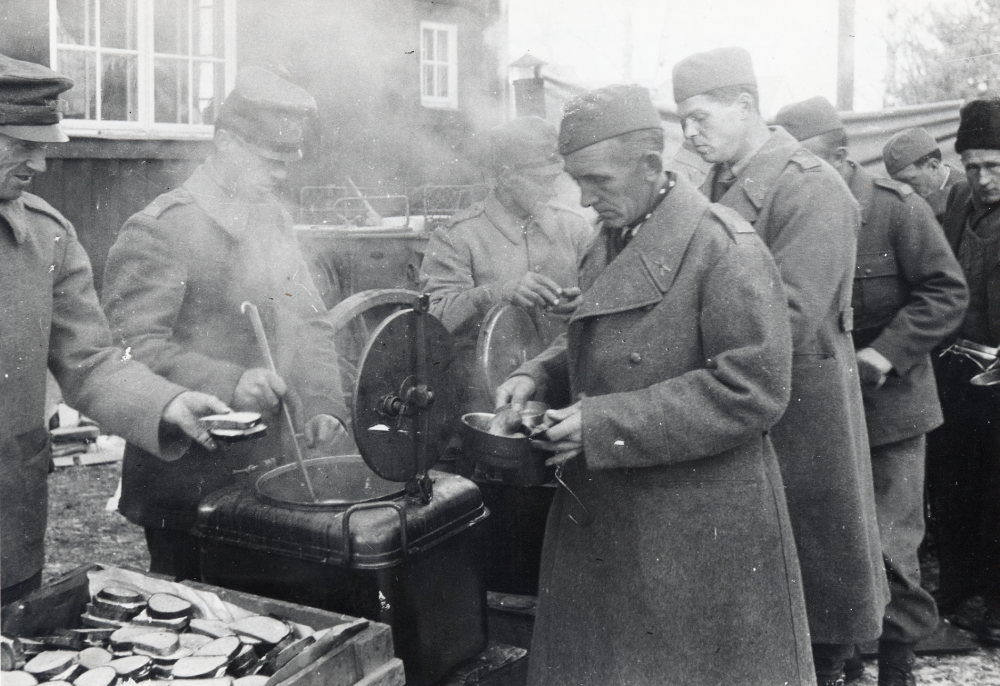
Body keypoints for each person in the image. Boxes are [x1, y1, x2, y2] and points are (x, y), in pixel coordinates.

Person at [495, 84, 814, 686]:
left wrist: (604, 423)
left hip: (697, 525)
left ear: (649, 165)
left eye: (598, 181)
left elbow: (753, 389)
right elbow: (598, 334)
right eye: (576, 181)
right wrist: (536, 372)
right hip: (615, 507)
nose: (586, 200)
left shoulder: (725, 247)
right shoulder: (613, 237)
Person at [672, 46, 889, 686]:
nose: (688, 132)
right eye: (683, 120)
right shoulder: (709, 184)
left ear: (745, 106)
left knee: (815, 592)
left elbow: (787, 320)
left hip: (802, 415)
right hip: (743, 403)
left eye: (698, 116)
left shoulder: (810, 187)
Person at [101, 67, 350, 581]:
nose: (282, 175)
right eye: (270, 160)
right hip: (186, 480)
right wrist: (229, 382)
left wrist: (326, 403)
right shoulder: (159, 229)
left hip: (270, 471)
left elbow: (309, 319)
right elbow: (126, 351)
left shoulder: (271, 220)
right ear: (225, 143)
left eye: (289, 160)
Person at [0, 54, 230, 604]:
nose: (42, 162)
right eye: (21, 143)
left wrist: (165, 404)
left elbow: (90, 361)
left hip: (8, 528)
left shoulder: (45, 238)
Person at [775, 96, 968, 686]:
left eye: (803, 160)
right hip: (816, 412)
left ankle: (897, 661)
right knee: (825, 540)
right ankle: (835, 662)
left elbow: (945, 293)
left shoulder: (895, 211)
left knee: (890, 547)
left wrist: (885, 353)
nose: (793, 174)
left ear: (839, 154)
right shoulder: (788, 213)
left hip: (890, 410)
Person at [420, 116, 591, 414]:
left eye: (555, 179)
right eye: (542, 181)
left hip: (567, 397)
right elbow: (433, 321)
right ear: (506, 175)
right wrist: (498, 293)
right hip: (486, 400)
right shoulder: (458, 237)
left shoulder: (575, 230)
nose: (551, 191)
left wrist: (584, 302)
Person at [926, 97, 1000, 647]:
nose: (983, 177)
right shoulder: (956, 203)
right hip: (957, 368)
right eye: (973, 165)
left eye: (995, 165)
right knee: (953, 485)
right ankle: (955, 593)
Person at [883, 127, 964, 223]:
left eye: (909, 181)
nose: (904, 190)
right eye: (897, 184)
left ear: (933, 167)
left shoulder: (970, 196)